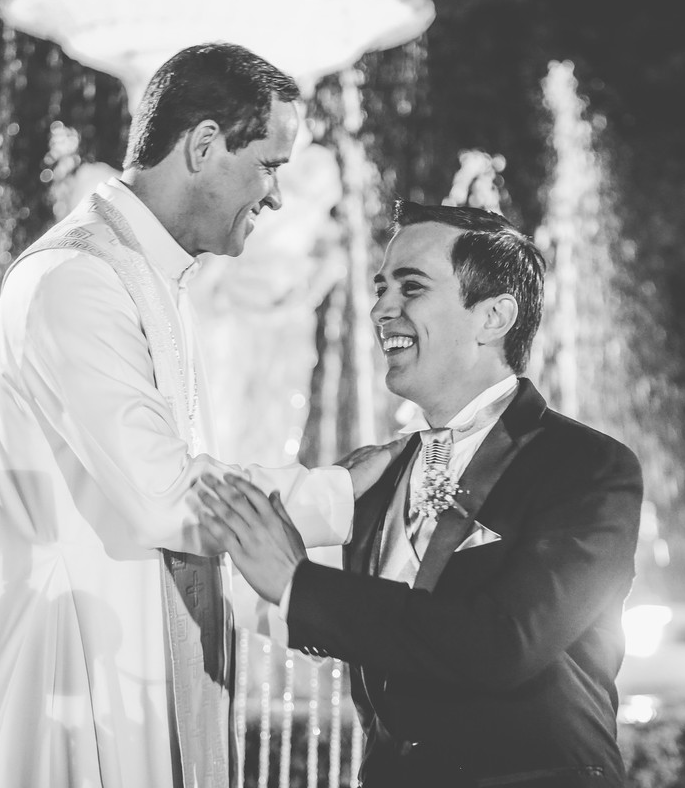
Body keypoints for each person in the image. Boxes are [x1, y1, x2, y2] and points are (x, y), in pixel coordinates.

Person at [0, 43, 395, 788]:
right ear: (203, 145)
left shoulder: (153, 278)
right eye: (268, 165)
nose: (276, 197)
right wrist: (340, 492)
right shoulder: (76, 280)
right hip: (80, 689)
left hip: (134, 674)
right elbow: (165, 494)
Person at [198, 201, 644, 788]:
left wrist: (297, 584)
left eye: (411, 287)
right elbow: (359, 628)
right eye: (381, 288)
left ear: (493, 317)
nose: (382, 308)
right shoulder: (380, 471)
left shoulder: (585, 465)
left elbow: (504, 643)